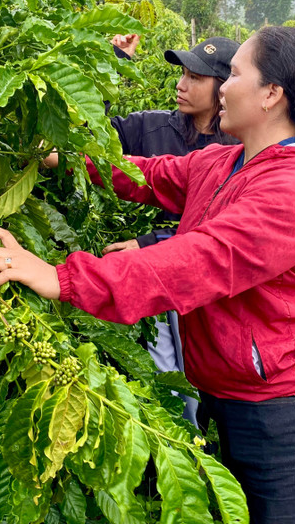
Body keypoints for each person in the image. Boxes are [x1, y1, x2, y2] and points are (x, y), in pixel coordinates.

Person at [0, 26, 295, 523]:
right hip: (233, 393)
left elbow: (196, 261)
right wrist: (61, 159)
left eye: (233, 74)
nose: (222, 86)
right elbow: (145, 172)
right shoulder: (225, 161)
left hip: (294, 410)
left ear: (271, 94)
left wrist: (63, 277)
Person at [105, 33, 239, 424]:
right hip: (160, 273)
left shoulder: (240, 145)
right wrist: (115, 61)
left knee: (207, 365)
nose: (181, 85)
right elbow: (91, 130)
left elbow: (220, 229)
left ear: (223, 89)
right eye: (181, 74)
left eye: (195, 78)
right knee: (167, 365)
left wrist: (148, 242)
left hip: (204, 275)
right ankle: (181, 439)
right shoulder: (152, 128)